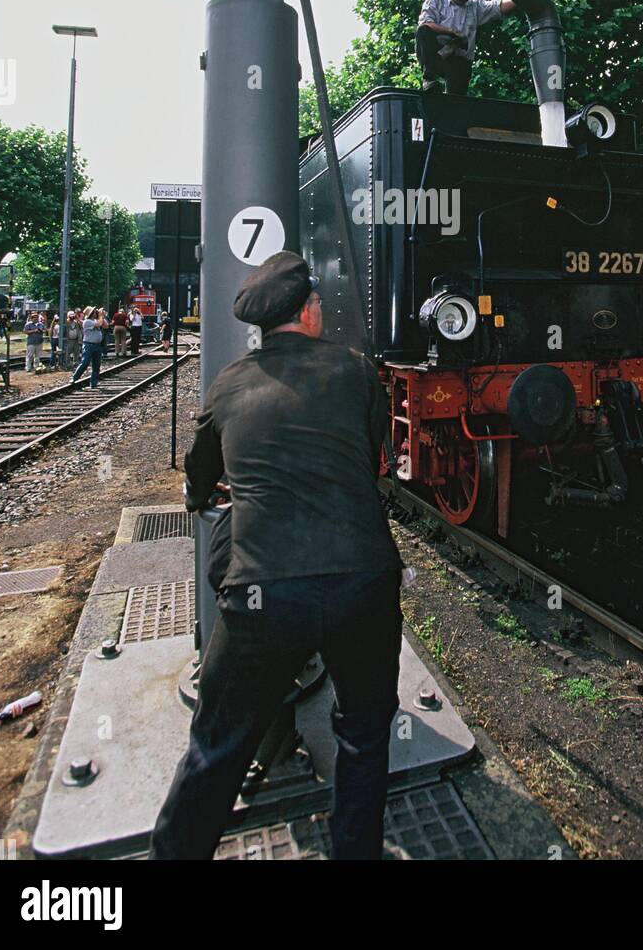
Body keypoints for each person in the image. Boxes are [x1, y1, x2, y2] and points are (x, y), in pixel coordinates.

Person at [149, 251, 402, 862]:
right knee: (365, 738)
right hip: (362, 583)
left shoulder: (230, 383)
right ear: (311, 312)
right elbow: (375, 460)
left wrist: (211, 488)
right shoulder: (357, 371)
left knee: (216, 745)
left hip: (264, 593)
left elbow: (199, 475)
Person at [416, 0, 517, 95]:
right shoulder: (436, 0)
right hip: (436, 56)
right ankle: (429, 79)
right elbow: (425, 24)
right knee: (422, 32)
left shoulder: (475, 6)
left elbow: (498, 6)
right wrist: (450, 32)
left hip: (459, 61)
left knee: (457, 102)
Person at [72, 306, 105, 388]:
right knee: (85, 362)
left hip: (97, 345)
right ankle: (75, 377)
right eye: (94, 311)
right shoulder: (87, 322)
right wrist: (100, 316)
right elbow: (99, 324)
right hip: (88, 345)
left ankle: (93, 384)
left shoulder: (96, 320)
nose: (96, 313)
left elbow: (106, 326)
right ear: (91, 313)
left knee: (96, 365)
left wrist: (102, 316)